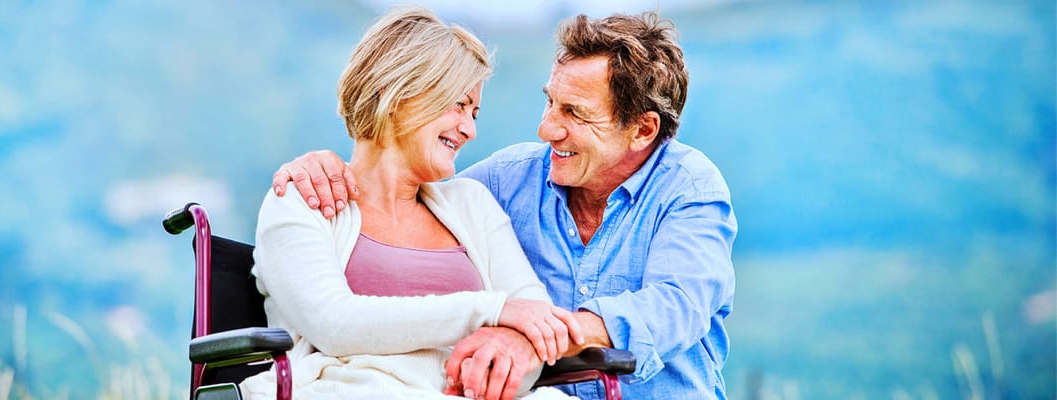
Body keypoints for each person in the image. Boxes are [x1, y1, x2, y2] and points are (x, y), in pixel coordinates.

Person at [272, 11, 738, 400]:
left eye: (574, 113)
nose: (546, 129)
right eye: (551, 103)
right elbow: (402, 187)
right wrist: (321, 166)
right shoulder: (503, 181)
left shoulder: (689, 189)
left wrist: (527, 335)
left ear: (642, 130)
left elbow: (674, 306)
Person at [241, 6, 589, 400]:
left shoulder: (472, 203)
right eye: (459, 105)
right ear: (400, 93)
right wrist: (489, 311)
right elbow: (333, 324)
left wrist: (505, 363)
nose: (470, 130)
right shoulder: (302, 200)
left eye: (475, 112)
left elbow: (535, 319)